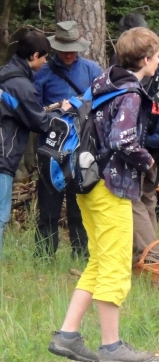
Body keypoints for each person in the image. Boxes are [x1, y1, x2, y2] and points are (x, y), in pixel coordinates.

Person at [48, 27, 159, 362]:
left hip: (87, 182)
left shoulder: (103, 83)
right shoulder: (131, 93)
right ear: (146, 58)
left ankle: (68, 334)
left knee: (98, 260)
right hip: (112, 186)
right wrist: (149, 162)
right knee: (115, 264)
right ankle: (112, 345)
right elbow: (123, 140)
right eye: (157, 55)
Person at [115, 13, 159, 266]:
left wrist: (144, 158)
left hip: (141, 150)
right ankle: (151, 257)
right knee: (145, 199)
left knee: (138, 201)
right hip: (152, 148)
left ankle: (148, 258)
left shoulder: (126, 79)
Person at [33, 20, 100, 258]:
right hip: (51, 148)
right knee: (48, 206)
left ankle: (82, 255)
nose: (69, 54)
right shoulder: (43, 73)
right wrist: (57, 112)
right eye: (64, 50)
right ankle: (44, 255)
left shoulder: (92, 70)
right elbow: (34, 112)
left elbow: (102, 105)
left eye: (73, 50)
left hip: (82, 148)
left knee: (79, 207)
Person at [0, 32, 61, 252]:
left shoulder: (5, 74)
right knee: (1, 215)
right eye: (44, 57)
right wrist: (60, 111)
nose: (45, 62)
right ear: (34, 56)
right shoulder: (20, 86)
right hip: (3, 157)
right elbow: (39, 122)